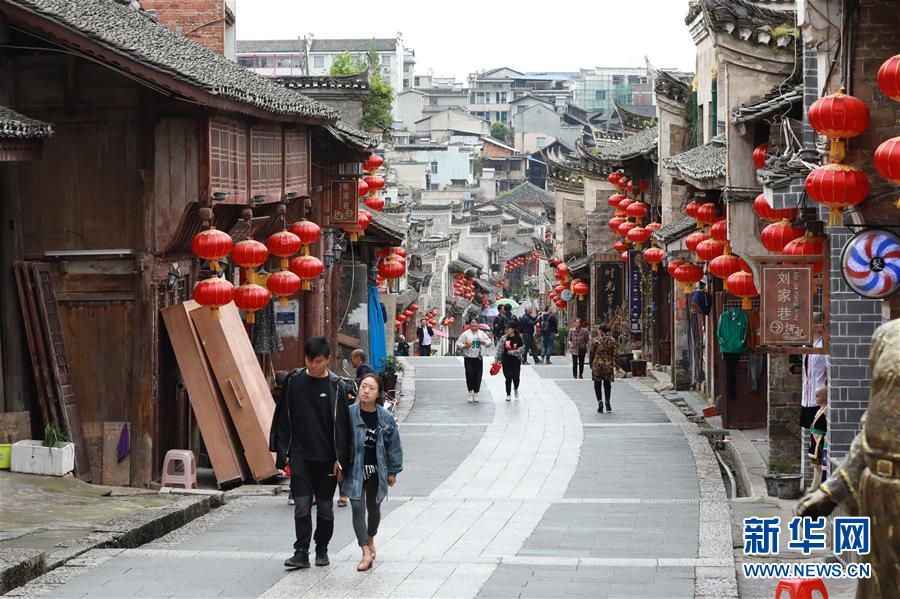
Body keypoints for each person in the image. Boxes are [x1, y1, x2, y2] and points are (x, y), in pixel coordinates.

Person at [269, 337, 354, 570]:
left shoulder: (337, 387)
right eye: (308, 360)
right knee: (302, 506)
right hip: (300, 455)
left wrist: (341, 459)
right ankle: (301, 551)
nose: (312, 366)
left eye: (317, 361)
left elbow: (343, 428)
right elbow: (282, 416)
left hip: (327, 458)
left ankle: (322, 548)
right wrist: (282, 449)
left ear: (327, 360)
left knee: (325, 509)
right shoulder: (294, 381)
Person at [344, 374, 403, 572]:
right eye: (363, 387)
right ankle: (365, 552)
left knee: (374, 509)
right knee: (357, 508)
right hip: (355, 469)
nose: (366, 391)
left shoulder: (384, 416)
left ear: (378, 393)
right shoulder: (348, 413)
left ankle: (370, 538)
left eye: (371, 388)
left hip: (377, 470)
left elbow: (393, 445)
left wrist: (393, 470)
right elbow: (339, 442)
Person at [455, 318, 493, 403]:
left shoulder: (481, 333)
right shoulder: (465, 334)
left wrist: (484, 342)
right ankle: (470, 392)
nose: (473, 324)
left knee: (478, 375)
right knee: (469, 374)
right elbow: (458, 343)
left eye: (475, 322)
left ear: (477, 324)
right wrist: (465, 345)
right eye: (472, 322)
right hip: (468, 357)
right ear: (469, 324)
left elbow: (489, 342)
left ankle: (476, 392)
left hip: (478, 357)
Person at [589, 323, 617, 413]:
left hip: (597, 365)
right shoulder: (612, 340)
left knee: (597, 384)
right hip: (608, 364)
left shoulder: (595, 341)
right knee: (607, 384)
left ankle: (600, 401)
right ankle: (607, 402)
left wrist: (591, 364)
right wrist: (617, 365)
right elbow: (615, 354)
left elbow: (591, 353)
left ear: (600, 330)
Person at [494, 322, 526, 401]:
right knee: (508, 377)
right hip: (506, 360)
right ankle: (508, 394)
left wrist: (514, 352)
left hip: (516, 360)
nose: (506, 330)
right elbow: (499, 349)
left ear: (513, 329)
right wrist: (496, 360)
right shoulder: (503, 338)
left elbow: (522, 349)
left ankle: (515, 388)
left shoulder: (518, 338)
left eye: (508, 328)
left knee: (516, 377)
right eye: (506, 328)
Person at [807, 385, 828, 494]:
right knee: (815, 464)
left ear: (825, 397)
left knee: (820, 464)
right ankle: (815, 483)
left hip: (821, 440)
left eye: (818, 396)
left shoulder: (826, 410)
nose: (816, 398)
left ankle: (819, 484)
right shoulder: (819, 409)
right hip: (815, 439)